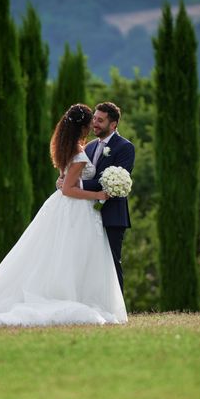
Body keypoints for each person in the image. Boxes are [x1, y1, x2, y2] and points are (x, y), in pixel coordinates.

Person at [0, 104, 127, 327]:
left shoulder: (69, 147)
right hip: (76, 208)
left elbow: (65, 183)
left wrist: (65, 183)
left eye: (99, 121)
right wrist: (97, 193)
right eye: (91, 122)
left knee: (66, 254)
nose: (93, 126)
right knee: (73, 254)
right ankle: (71, 297)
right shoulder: (79, 152)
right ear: (83, 126)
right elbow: (69, 188)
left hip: (67, 207)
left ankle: (73, 294)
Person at [58, 102, 135, 293]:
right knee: (90, 264)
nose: (95, 124)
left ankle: (117, 309)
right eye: (94, 119)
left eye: (101, 120)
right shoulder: (89, 147)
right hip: (86, 214)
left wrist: (76, 185)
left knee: (111, 262)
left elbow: (115, 181)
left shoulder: (125, 147)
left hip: (112, 214)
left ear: (114, 124)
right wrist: (62, 183)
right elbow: (73, 174)